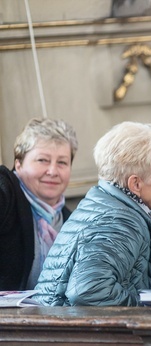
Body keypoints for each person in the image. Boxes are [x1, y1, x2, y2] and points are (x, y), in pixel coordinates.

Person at [34, 121, 151, 306]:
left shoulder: (105, 205)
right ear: (136, 184)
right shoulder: (120, 220)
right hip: (70, 332)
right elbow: (87, 290)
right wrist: (148, 308)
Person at [0, 118, 78, 291]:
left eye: (62, 162)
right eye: (42, 160)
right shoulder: (4, 191)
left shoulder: (72, 222)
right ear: (18, 164)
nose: (52, 171)